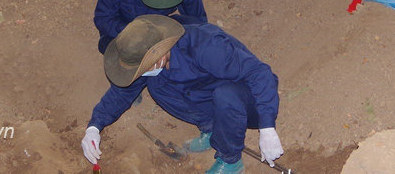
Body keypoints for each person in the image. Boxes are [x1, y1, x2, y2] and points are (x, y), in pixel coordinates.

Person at [81, 15, 284, 174]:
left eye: (142, 68)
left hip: (248, 99)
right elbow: (121, 94)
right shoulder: (154, 61)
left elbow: (260, 73)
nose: (140, 73)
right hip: (213, 94)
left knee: (226, 95)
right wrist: (94, 127)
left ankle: (231, 162)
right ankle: (212, 129)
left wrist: (267, 128)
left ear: (159, 56)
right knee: (157, 85)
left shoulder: (205, 46)